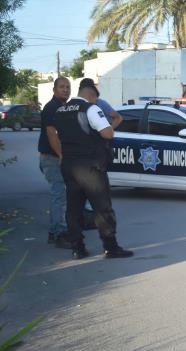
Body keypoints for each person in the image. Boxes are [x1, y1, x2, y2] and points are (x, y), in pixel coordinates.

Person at [47, 83, 133, 259]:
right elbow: (107, 133)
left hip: (69, 166)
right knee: (102, 208)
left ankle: (77, 248)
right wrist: (108, 127)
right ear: (92, 96)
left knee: (73, 209)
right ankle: (110, 247)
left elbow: (56, 136)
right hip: (90, 167)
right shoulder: (91, 108)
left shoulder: (61, 111)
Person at [77, 78, 122, 230]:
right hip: (86, 156)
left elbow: (117, 118)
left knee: (92, 190)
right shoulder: (81, 106)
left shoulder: (99, 104)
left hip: (93, 153)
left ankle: (91, 221)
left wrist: (107, 128)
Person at [38, 77, 71, 249]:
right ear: (54, 89)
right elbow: (52, 134)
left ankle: (54, 232)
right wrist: (61, 155)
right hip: (52, 158)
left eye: (67, 87)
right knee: (59, 196)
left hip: (54, 157)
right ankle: (59, 233)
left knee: (60, 196)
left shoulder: (62, 107)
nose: (65, 90)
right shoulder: (52, 108)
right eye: (62, 87)